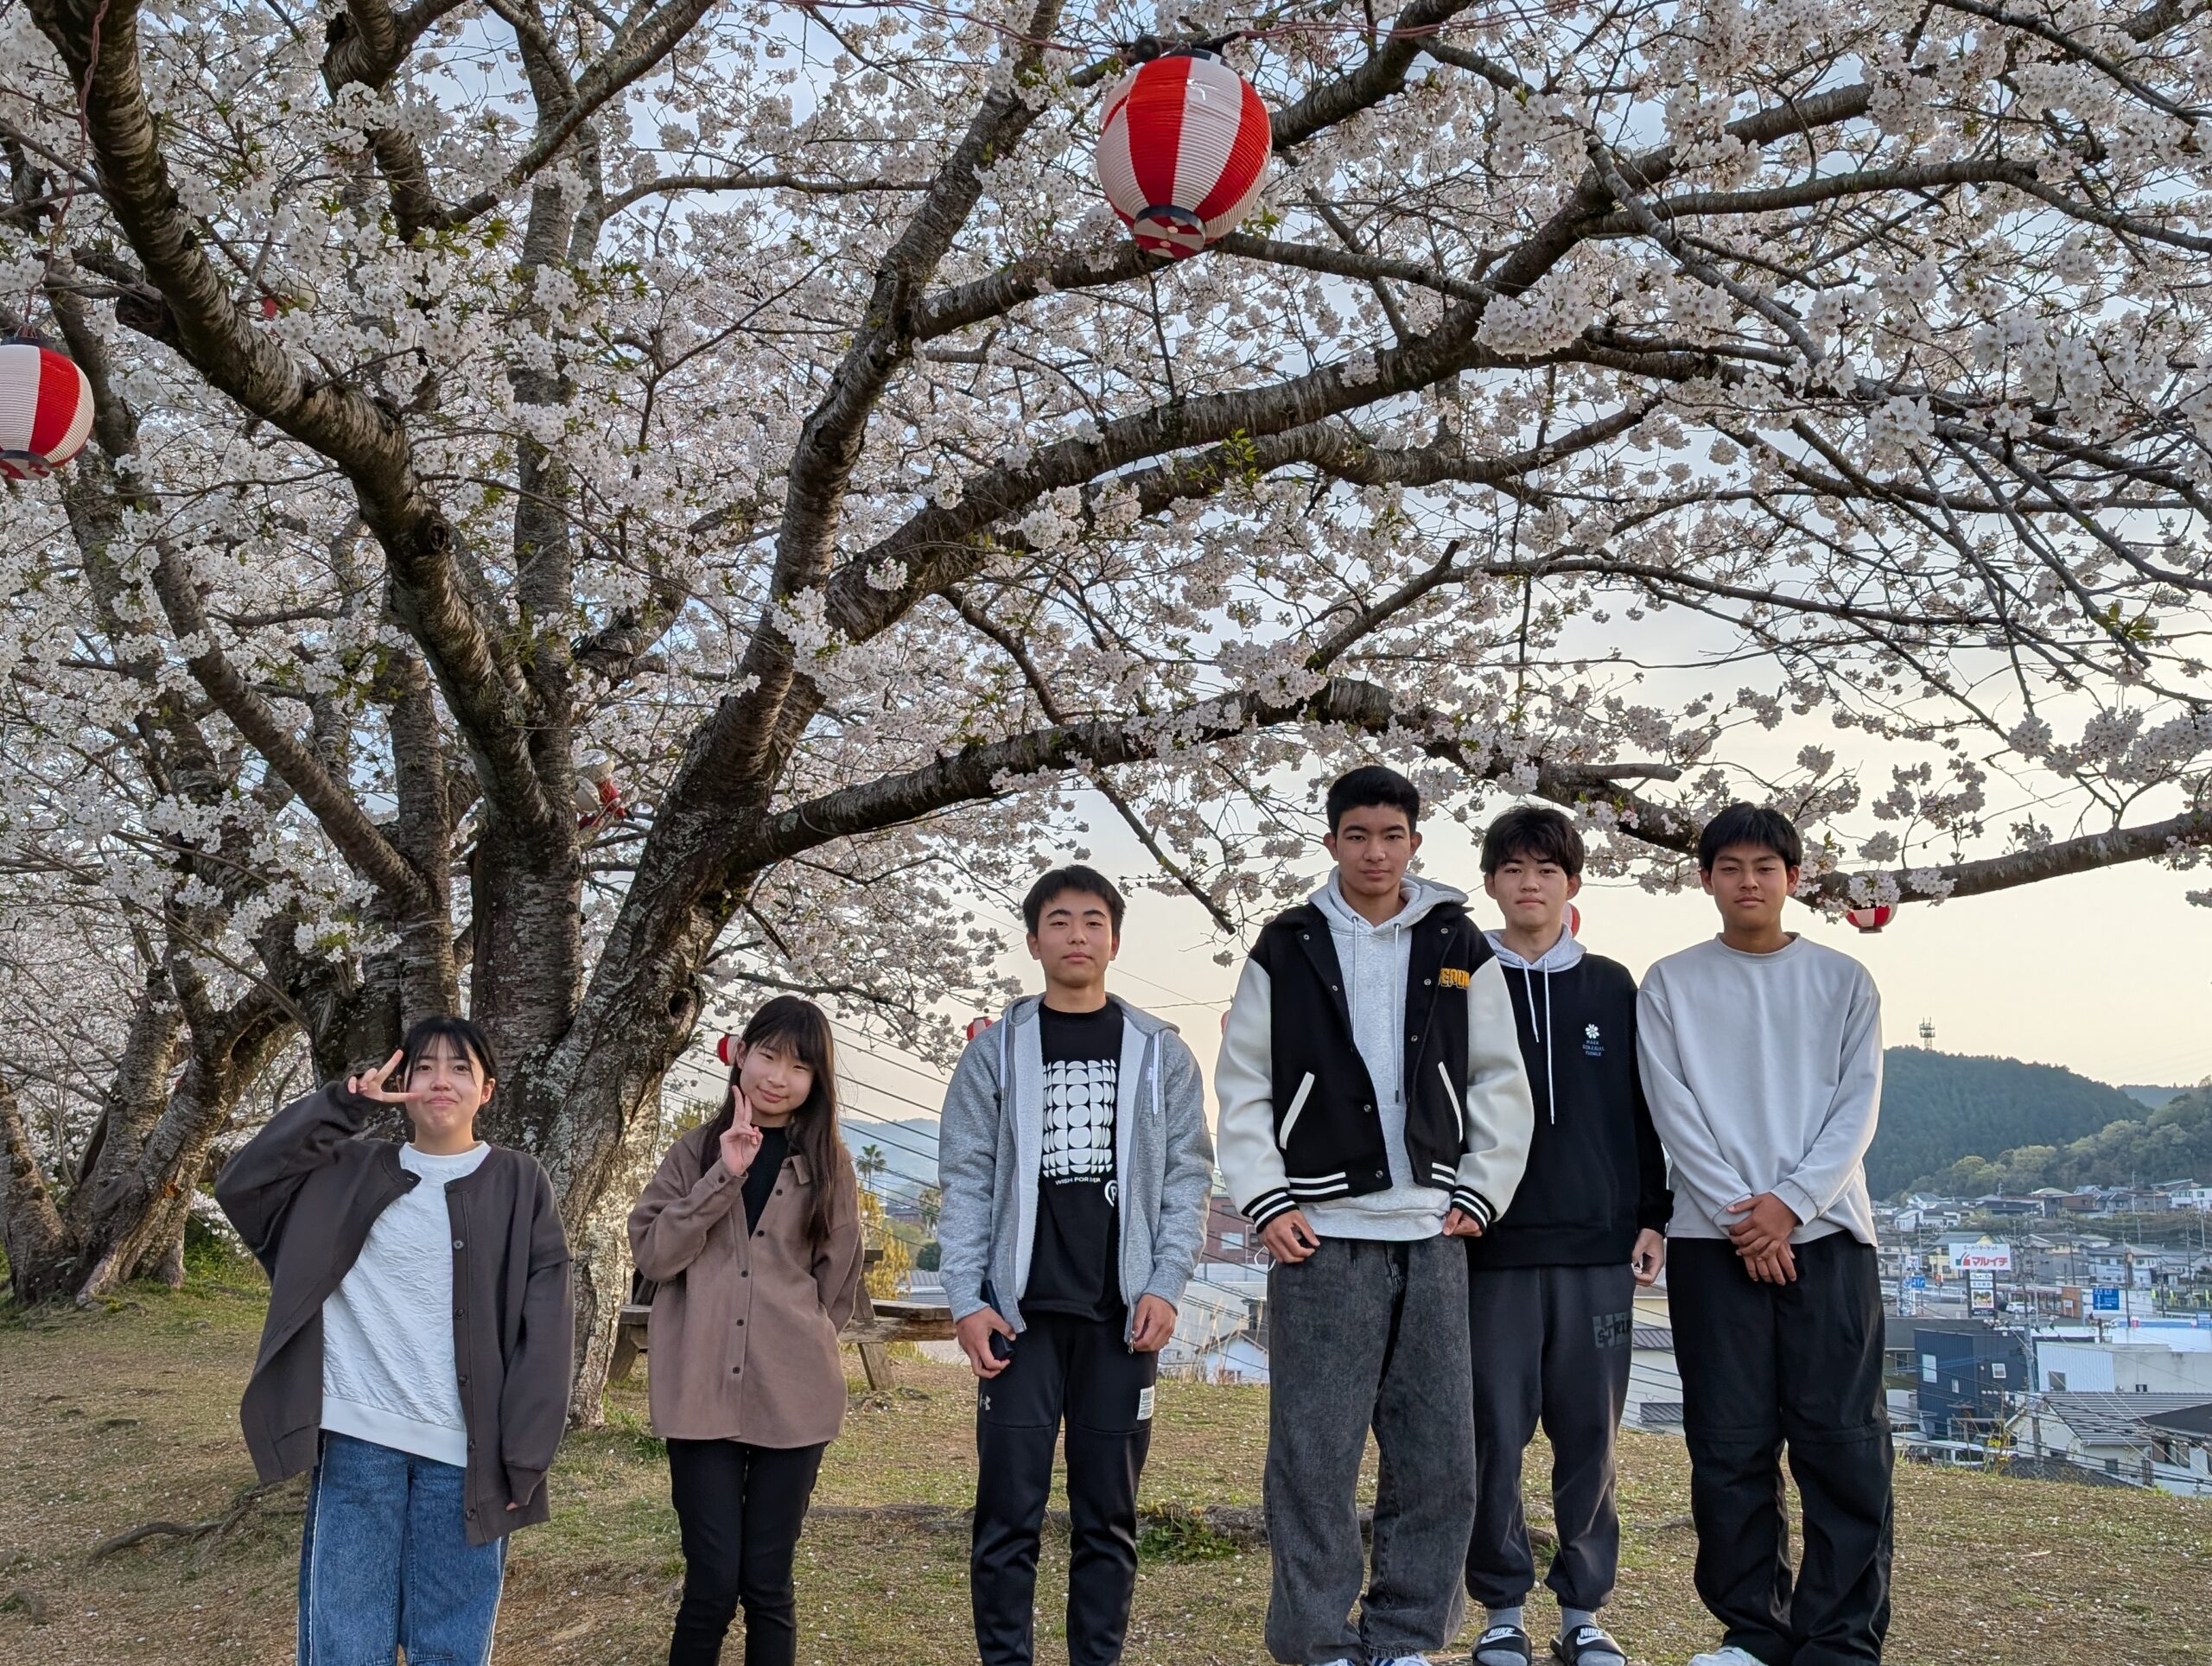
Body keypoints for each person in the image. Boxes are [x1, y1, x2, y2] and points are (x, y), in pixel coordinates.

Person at [1216, 765, 1535, 1666]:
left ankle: (1402, 1635)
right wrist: (1265, 1196)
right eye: (1357, 835)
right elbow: (1243, 1080)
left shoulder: (1454, 938)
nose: (1374, 851)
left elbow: (1498, 1077)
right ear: (1331, 843)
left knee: (1436, 1453)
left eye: (1391, 835)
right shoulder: (1288, 942)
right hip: (1320, 1230)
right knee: (1312, 1454)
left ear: (1413, 843)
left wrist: (1479, 1188)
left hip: (1433, 1228)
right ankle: (1316, 1636)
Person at [214, 1014, 573, 1666]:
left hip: (467, 1457)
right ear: (401, 1085)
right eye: (425, 1067)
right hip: (357, 1442)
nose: (442, 1081)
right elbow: (243, 1184)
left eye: (461, 1068)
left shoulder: (520, 1181)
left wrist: (526, 1453)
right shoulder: (348, 1169)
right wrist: (342, 1105)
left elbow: (545, 1326)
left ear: (487, 1090)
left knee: (452, 1648)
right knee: (345, 1645)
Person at [938, 863, 1216, 1666]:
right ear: (1034, 940)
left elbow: (1187, 1177)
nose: (1077, 936)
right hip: (1019, 1321)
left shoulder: (1159, 1052)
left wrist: (1165, 1284)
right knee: (1007, 1515)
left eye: (1093, 921)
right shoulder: (996, 1053)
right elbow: (965, 1180)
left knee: (1109, 1518)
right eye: (1059, 921)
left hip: (1119, 1322)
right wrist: (967, 1299)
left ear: (1116, 940)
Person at [1637, 804, 1891, 1666]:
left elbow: (1856, 1109)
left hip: (1829, 1238)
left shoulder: (1843, 979)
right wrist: (1749, 1219)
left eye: (1765, 866)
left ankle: (1839, 1635)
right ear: (1704, 877)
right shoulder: (1669, 983)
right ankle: (1752, 1627)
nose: (1748, 881)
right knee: (1729, 1443)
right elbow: (1672, 1109)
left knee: (1841, 1441)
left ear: (1793, 876)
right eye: (1730, 866)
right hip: (1714, 1244)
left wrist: (1789, 1204)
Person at [1462, 807, 1670, 1666]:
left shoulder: (1614, 984)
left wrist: (1652, 1212)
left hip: (1597, 1248)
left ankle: (1583, 1610)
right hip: (1491, 1249)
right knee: (1491, 1433)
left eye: (1546, 868)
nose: (1529, 883)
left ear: (1572, 883)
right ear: (1491, 883)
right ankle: (1501, 1607)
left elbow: (1643, 1106)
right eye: (1512, 868)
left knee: (1591, 1433)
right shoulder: (1461, 976)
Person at [629, 995, 866, 1666]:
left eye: (798, 1065)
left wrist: (797, 1336)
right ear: (740, 1055)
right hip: (697, 1397)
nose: (777, 1076)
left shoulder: (829, 1166)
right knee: (710, 1584)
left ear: (817, 1081)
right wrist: (723, 1177)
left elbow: (837, 1284)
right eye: (767, 1054)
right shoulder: (695, 1151)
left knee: (767, 1585)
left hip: (794, 1399)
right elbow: (654, 1255)